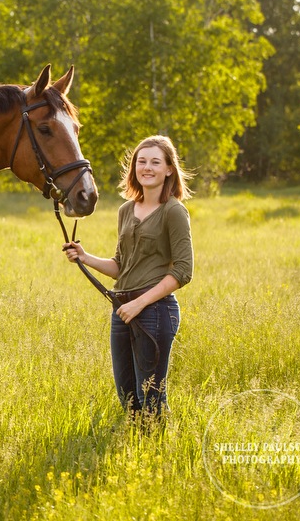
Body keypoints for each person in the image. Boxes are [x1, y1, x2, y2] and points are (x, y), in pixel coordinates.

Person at [63, 135, 193, 421]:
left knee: (151, 395)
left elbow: (183, 271)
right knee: (127, 395)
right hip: (121, 310)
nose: (147, 167)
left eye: (155, 162)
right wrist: (85, 257)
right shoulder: (126, 210)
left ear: (169, 169)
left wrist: (139, 304)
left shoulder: (174, 211)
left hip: (155, 312)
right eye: (141, 161)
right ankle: (136, 446)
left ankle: (159, 450)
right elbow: (121, 266)